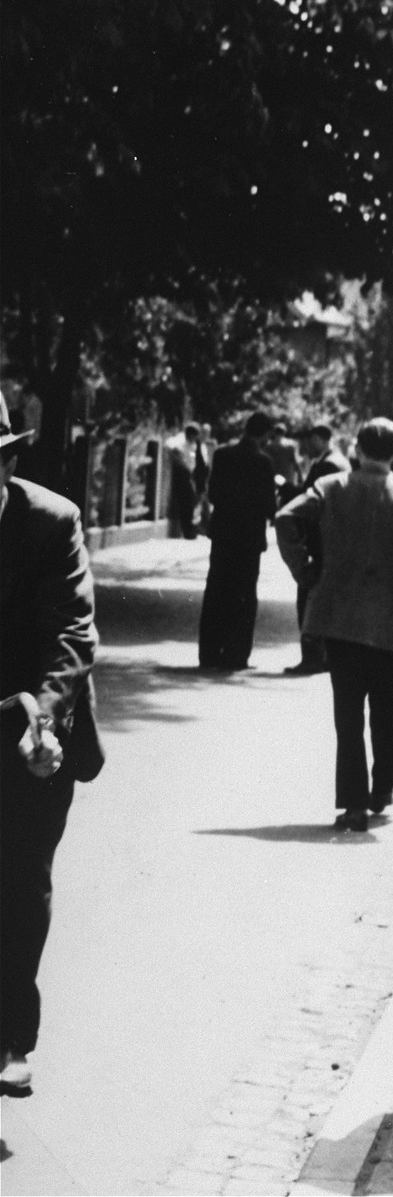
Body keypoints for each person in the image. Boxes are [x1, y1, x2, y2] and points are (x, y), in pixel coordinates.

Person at [0, 393, 104, 1094]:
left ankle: (11, 1039)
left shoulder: (49, 520)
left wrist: (44, 715)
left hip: (31, 727)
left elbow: (73, 631)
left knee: (17, 879)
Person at [276, 417, 393, 831]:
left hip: (338, 619)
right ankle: (382, 785)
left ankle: (353, 805)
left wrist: (307, 572)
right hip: (392, 626)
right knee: (385, 709)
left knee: (347, 715)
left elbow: (285, 519)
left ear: (358, 450)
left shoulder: (331, 488)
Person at [198, 411, 277, 672]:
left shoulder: (222, 454)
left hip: (223, 534)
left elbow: (213, 492)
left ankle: (209, 653)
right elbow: (268, 503)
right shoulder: (263, 461)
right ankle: (236, 655)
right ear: (264, 434)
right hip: (249, 537)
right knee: (243, 596)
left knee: (216, 591)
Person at [283, 422, 351, 676]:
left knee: (309, 599)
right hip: (330, 541)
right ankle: (321, 657)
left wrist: (287, 490)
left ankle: (312, 657)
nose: (304, 446)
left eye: (308, 440)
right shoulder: (337, 460)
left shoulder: (328, 465)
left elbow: (309, 498)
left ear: (320, 439)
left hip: (319, 541)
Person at [166, 422, 201, 539]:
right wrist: (178, 455)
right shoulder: (180, 441)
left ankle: (190, 530)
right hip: (182, 476)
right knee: (185, 503)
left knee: (191, 503)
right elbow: (169, 445)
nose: (195, 438)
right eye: (194, 435)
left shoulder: (195, 445)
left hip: (192, 475)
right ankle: (186, 531)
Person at [268, 422, 301, 509]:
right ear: (284, 432)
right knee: (287, 503)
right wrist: (300, 477)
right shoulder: (290, 446)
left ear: (274, 432)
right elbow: (295, 463)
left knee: (273, 500)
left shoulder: (269, 446)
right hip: (287, 478)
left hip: (273, 477)